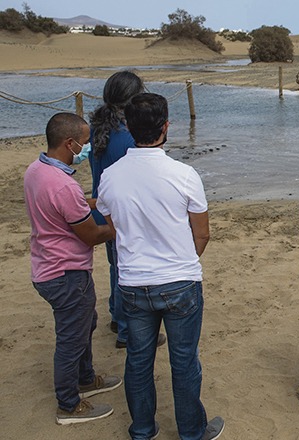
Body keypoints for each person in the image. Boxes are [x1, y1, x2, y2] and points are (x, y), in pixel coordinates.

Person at [96, 93, 224, 440]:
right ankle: (191, 431)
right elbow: (202, 233)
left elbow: (113, 225)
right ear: (166, 126)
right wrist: (180, 261)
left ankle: (142, 429)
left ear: (128, 127)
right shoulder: (183, 174)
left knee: (138, 359)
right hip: (179, 280)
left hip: (134, 280)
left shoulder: (110, 175)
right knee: (183, 360)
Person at [23, 112, 122, 425]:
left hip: (47, 265)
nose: (88, 147)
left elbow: (73, 204)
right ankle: (68, 405)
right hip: (65, 273)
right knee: (71, 339)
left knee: (85, 323)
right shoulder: (61, 186)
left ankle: (86, 377)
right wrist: (119, 224)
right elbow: (92, 235)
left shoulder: (36, 170)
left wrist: (99, 201)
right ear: (70, 143)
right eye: (85, 142)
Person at [89, 70, 168, 349]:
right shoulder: (126, 138)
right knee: (125, 269)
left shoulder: (99, 126)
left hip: (105, 208)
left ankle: (115, 314)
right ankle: (126, 330)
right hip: (123, 212)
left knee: (116, 266)